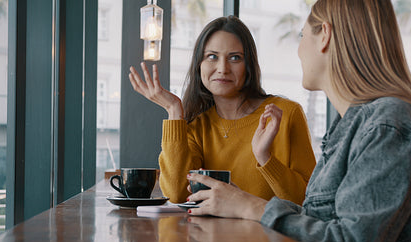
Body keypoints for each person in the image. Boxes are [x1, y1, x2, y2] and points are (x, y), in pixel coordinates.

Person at [185, 0, 411, 242]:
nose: (298, 50)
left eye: (302, 35)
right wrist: (241, 202)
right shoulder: (351, 124)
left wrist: (250, 206)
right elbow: (319, 222)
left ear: (325, 35)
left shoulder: (389, 124)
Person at [129, 16, 316, 204]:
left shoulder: (286, 114)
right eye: (212, 56)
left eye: (235, 58)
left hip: (270, 233)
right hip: (211, 233)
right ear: (199, 64)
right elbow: (176, 194)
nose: (222, 68)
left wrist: (265, 158)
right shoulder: (197, 127)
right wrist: (174, 111)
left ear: (248, 65)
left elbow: (306, 201)